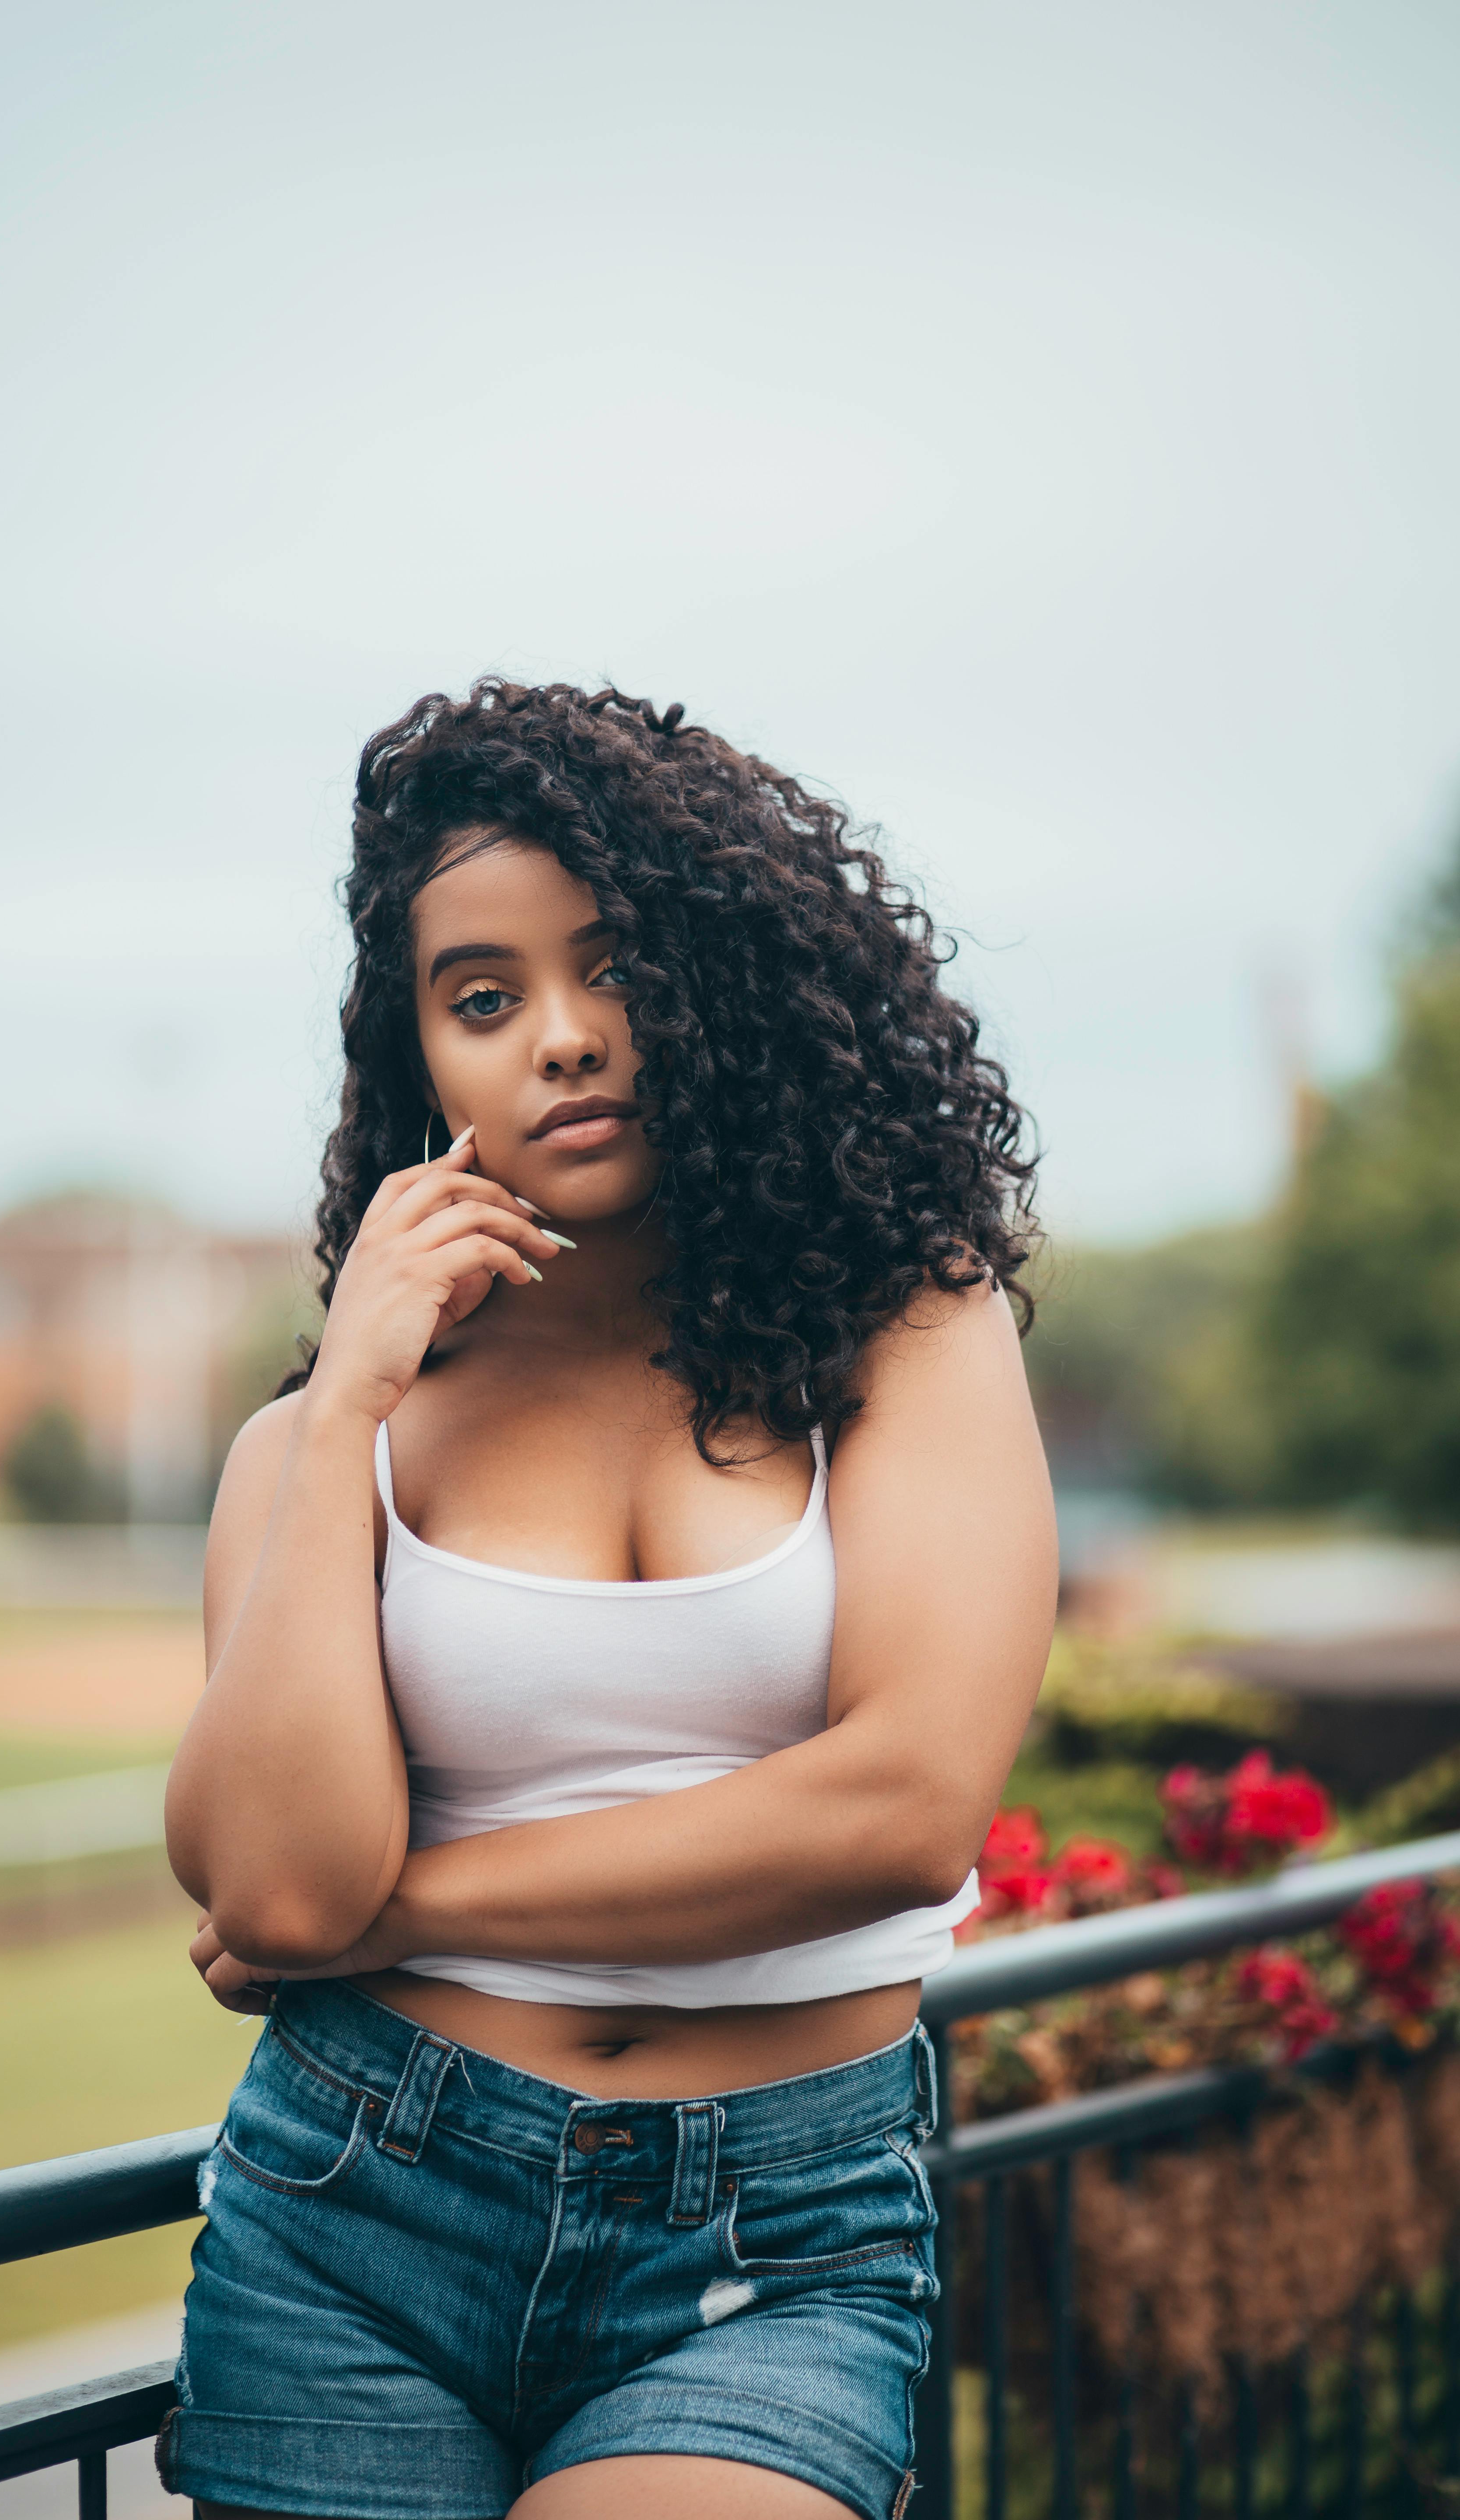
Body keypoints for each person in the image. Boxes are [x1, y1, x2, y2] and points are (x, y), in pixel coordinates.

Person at [161, 681, 1056, 2520]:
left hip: (772, 2237)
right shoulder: (329, 1443)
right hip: (356, 2216)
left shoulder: (910, 1326)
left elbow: (903, 1812)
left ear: (727, 977)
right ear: (423, 1062)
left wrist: (399, 1912)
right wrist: (344, 1408)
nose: (561, 1040)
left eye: (615, 965)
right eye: (483, 999)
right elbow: (266, 1885)